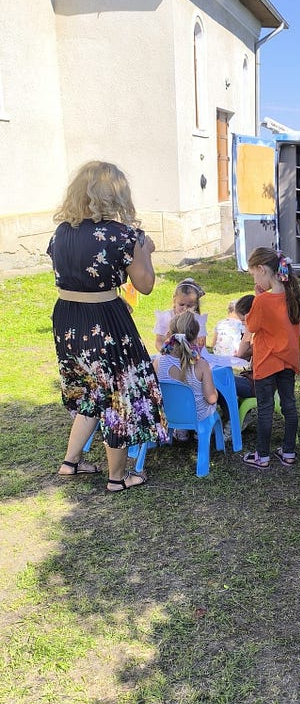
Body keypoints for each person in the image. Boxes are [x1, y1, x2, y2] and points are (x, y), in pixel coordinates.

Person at [47, 160, 167, 492]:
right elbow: (145, 285)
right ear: (115, 194)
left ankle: (71, 462)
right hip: (104, 319)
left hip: (67, 318)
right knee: (118, 394)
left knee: (90, 390)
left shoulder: (61, 232)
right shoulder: (122, 235)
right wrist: (145, 251)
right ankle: (117, 478)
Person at [242, 248, 300, 468]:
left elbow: (252, 326)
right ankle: (289, 452)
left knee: (265, 408)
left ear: (262, 269)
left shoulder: (262, 301)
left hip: (266, 362)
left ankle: (262, 456)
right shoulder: (295, 296)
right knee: (289, 405)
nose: (254, 279)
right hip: (288, 361)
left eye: (254, 274)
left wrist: (258, 298)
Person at [154, 310, 218, 420]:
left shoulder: (159, 360)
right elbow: (211, 399)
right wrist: (216, 392)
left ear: (169, 335)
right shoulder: (201, 365)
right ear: (196, 338)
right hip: (198, 418)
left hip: (170, 417)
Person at [154, 279, 208, 352]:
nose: (185, 309)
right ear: (174, 300)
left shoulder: (197, 320)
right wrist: (165, 353)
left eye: (189, 306)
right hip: (169, 355)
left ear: (196, 305)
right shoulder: (166, 317)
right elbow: (159, 341)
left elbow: (201, 345)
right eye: (181, 304)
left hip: (191, 356)